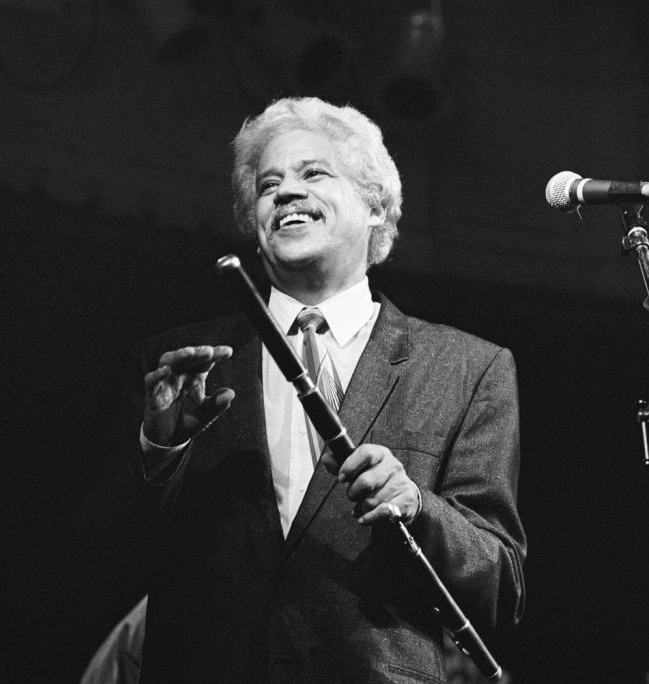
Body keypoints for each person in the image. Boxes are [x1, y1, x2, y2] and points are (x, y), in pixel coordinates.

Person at [112, 97, 525, 683]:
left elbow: (501, 585)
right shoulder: (176, 364)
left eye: (314, 173)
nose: (285, 192)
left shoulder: (467, 368)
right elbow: (105, 556)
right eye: (268, 184)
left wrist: (417, 506)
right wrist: (160, 452)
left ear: (375, 206)